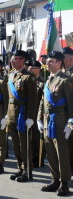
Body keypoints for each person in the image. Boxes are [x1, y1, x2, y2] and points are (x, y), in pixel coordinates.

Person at [37, 51, 73, 196]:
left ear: (59, 63)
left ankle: (64, 183)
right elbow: (42, 101)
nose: (48, 63)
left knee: (62, 153)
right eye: (48, 61)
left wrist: (70, 124)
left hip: (61, 121)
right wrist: (39, 118)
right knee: (50, 151)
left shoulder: (66, 80)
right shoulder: (48, 79)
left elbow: (71, 104)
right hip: (47, 121)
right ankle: (55, 179)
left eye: (51, 61)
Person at [7, 50, 38, 182]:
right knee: (15, 144)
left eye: (16, 59)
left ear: (23, 60)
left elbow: (33, 99)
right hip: (12, 114)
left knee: (24, 144)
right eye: (12, 59)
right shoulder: (11, 75)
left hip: (23, 114)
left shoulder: (28, 76)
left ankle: (28, 170)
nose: (13, 61)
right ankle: (20, 167)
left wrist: (30, 117)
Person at [27, 60, 45, 168]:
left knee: (37, 138)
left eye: (32, 69)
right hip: (29, 113)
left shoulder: (42, 84)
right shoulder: (28, 81)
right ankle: (31, 156)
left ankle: (38, 158)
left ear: (38, 70)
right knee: (29, 138)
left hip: (37, 114)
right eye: (29, 69)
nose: (30, 71)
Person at [62, 47, 73, 175]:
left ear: (70, 58)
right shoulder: (62, 74)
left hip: (70, 114)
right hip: (62, 114)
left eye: (63, 57)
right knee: (66, 145)